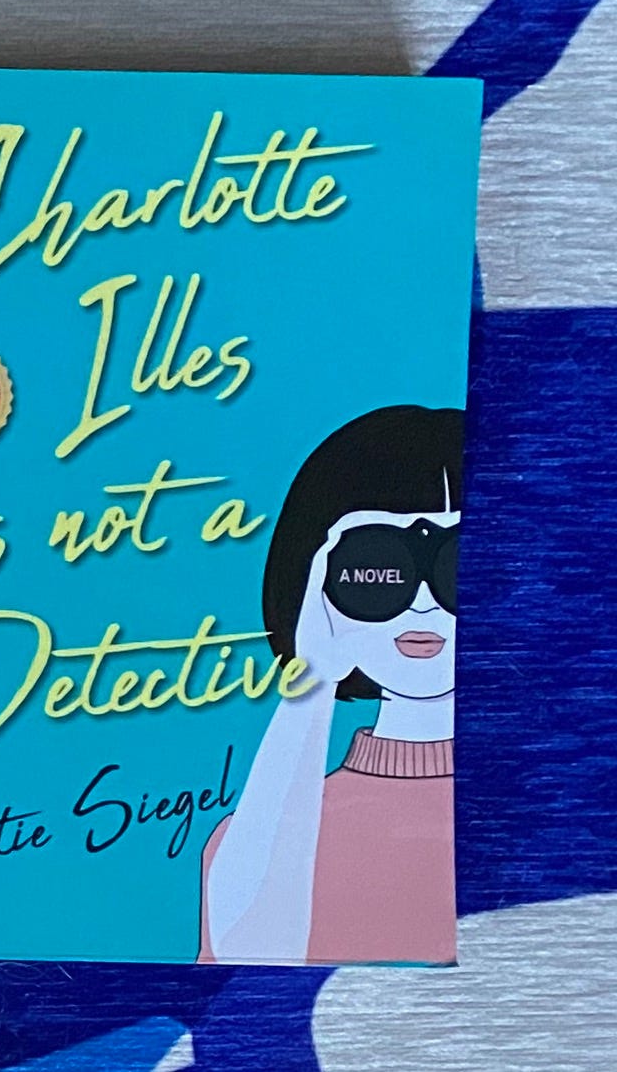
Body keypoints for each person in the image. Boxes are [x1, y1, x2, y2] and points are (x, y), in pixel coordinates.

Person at [201, 405, 461, 965]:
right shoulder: (264, 833)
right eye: (378, 563)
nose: (421, 602)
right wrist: (314, 674)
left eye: (456, 564)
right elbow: (248, 960)